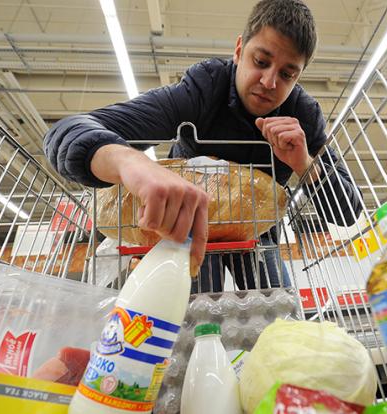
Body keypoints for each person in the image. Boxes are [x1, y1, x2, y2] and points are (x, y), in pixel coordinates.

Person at [44, 0, 361, 292]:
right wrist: (131, 163)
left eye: (287, 74)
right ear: (239, 50)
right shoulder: (204, 88)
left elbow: (349, 212)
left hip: (256, 234)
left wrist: (306, 165)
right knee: (195, 313)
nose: (269, 82)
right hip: (187, 225)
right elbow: (68, 130)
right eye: (261, 61)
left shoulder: (303, 115)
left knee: (276, 311)